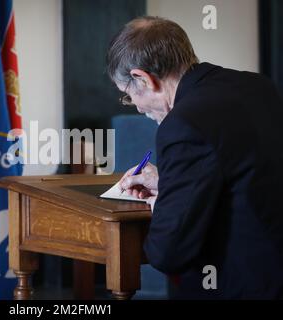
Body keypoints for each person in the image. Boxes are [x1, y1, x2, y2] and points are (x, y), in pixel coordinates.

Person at [107, 16, 283, 299]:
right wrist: (170, 182)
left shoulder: (183, 123)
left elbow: (168, 252)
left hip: (237, 285)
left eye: (128, 96)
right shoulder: (257, 86)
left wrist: (164, 203)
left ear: (143, 78)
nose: (137, 109)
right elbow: (240, 176)